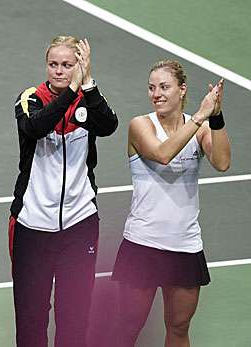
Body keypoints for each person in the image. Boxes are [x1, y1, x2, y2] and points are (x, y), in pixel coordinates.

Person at [8, 36, 118, 347]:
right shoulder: (30, 98)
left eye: (67, 65)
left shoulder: (88, 99)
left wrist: (89, 85)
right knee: (31, 317)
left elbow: (109, 125)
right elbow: (36, 127)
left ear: (80, 67)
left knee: (76, 314)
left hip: (79, 223)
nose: (59, 71)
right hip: (32, 226)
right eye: (54, 64)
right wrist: (72, 91)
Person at [112, 60, 230, 347]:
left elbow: (222, 162)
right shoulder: (140, 125)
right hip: (143, 244)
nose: (156, 94)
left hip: (184, 245)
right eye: (152, 88)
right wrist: (200, 117)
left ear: (182, 90)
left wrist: (215, 116)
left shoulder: (200, 129)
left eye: (164, 87)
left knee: (178, 328)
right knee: (128, 327)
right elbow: (163, 154)